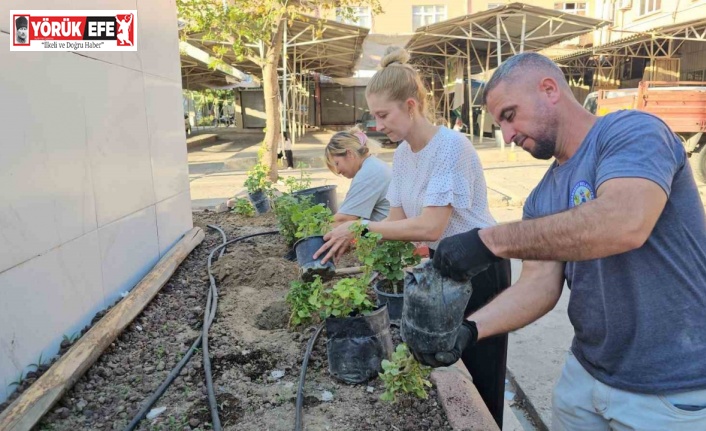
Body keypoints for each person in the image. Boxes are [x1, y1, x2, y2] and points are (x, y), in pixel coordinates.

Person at [424, 52, 706, 430]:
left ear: (549, 89)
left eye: (509, 115)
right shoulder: (542, 196)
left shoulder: (632, 132)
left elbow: (625, 222)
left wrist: (488, 241)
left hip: (669, 393)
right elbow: (538, 286)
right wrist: (468, 331)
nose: (506, 135)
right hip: (585, 378)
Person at [314, 47, 512, 426]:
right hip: (446, 268)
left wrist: (361, 227)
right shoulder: (404, 155)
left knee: (483, 373)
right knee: (448, 359)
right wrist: (353, 241)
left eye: (383, 115)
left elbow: (430, 226)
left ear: (410, 105)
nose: (378, 125)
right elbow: (398, 223)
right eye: (374, 116)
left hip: (482, 269)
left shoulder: (451, 148)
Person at [324, 127, 392, 225]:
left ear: (350, 153)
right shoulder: (372, 165)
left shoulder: (368, 174)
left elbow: (344, 219)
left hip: (388, 236)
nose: (338, 171)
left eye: (337, 164)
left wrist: (314, 230)